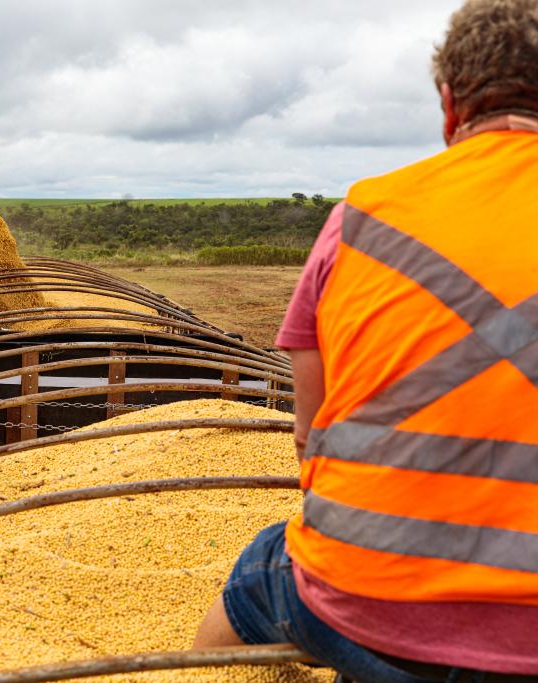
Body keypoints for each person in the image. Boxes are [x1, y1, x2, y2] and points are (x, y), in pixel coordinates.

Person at [191, 1, 538, 681]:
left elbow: (309, 434)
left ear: (449, 105)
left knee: (258, 575)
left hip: (364, 601)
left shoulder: (360, 219)